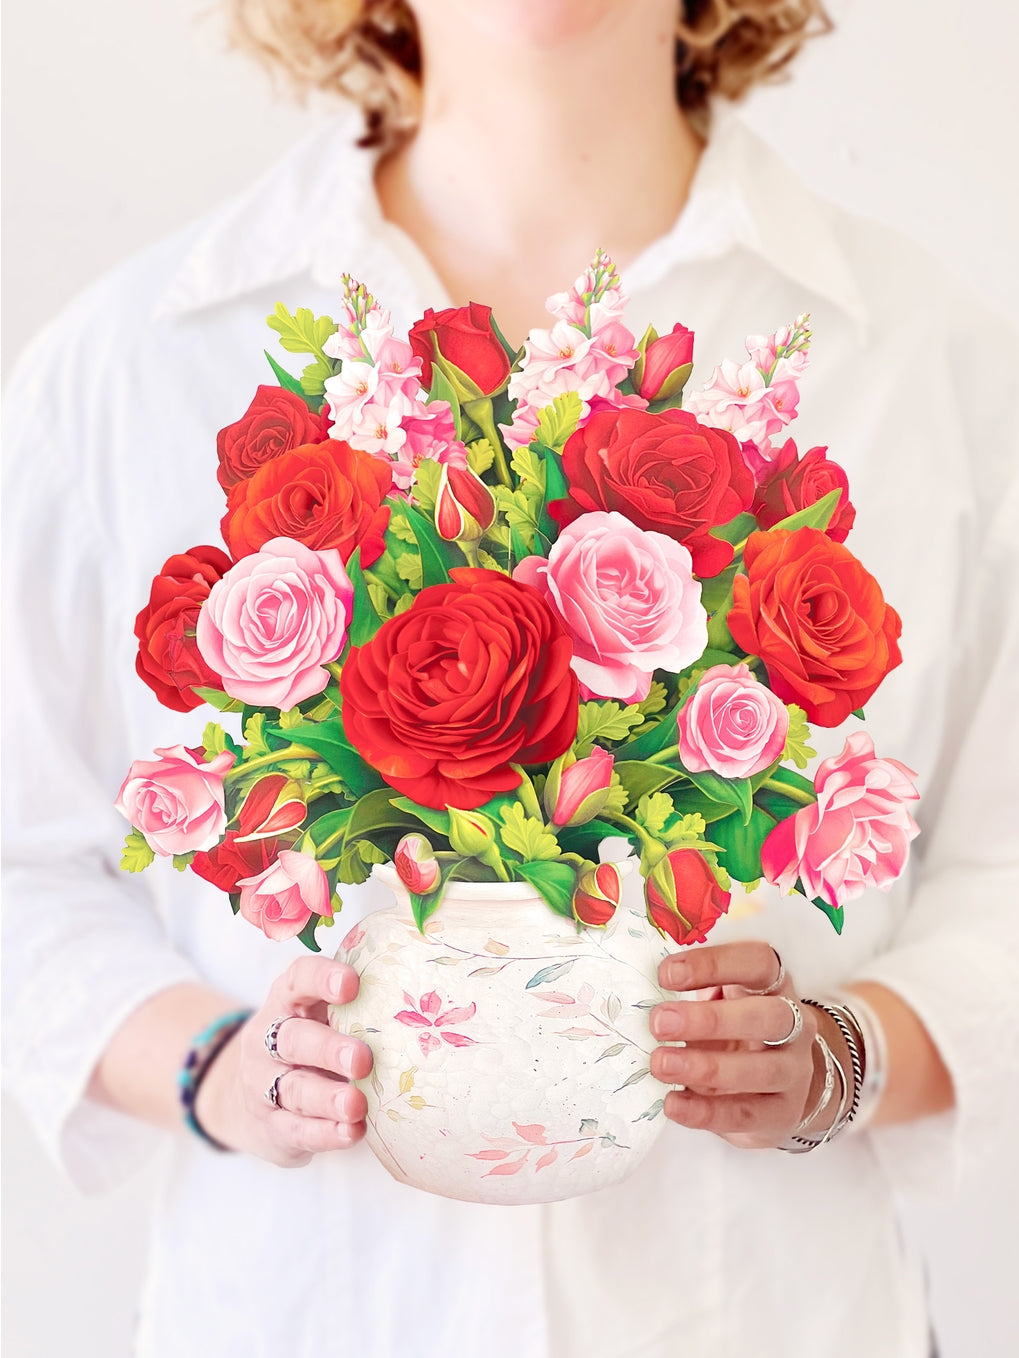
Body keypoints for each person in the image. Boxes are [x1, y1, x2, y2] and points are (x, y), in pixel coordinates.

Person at [3, 1, 1017, 1355]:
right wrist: (215, 1069)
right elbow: (25, 862)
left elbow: (1006, 871)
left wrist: (844, 1056)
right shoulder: (129, 362)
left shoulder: (929, 359)